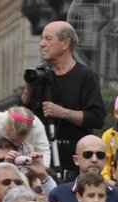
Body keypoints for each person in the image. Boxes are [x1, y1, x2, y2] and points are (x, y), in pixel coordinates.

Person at [23, 22, 106, 170]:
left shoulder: (85, 76)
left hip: (73, 160)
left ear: (65, 43)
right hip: (40, 158)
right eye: (42, 39)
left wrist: (62, 113)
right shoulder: (40, 76)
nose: (42, 44)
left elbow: (96, 118)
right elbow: (22, 116)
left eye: (48, 39)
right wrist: (29, 88)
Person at [0, 106, 50, 179]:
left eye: (21, 140)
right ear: (5, 127)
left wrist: (42, 176)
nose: (16, 144)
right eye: (13, 140)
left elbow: (44, 153)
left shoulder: (37, 126)